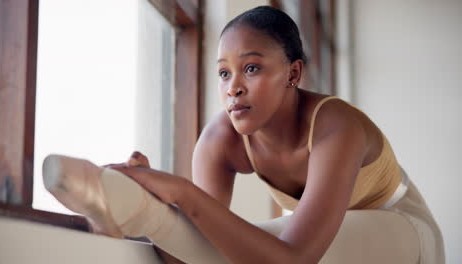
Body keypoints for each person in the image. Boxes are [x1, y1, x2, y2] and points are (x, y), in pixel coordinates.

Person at [43, 6, 444, 264]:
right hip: (323, 239)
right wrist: (154, 203)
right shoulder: (220, 139)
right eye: (223, 72)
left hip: (401, 227)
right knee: (226, 247)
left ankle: (121, 201)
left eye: (251, 68)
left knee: (261, 246)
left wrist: (179, 192)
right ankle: (126, 206)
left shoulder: (337, 126)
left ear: (293, 73)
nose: (233, 87)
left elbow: (294, 260)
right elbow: (189, 255)